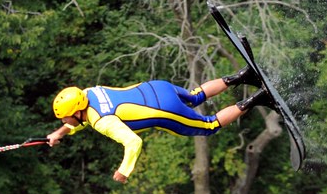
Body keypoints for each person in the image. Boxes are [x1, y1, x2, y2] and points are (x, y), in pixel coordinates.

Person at [45, 65, 274, 182]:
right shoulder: (87, 93)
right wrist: (60, 132)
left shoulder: (103, 122)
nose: (63, 120)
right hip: (157, 87)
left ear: (76, 112)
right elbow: (83, 120)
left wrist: (124, 170)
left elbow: (133, 142)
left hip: (164, 109)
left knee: (210, 125)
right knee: (195, 96)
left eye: (64, 117)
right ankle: (243, 75)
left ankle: (257, 98)